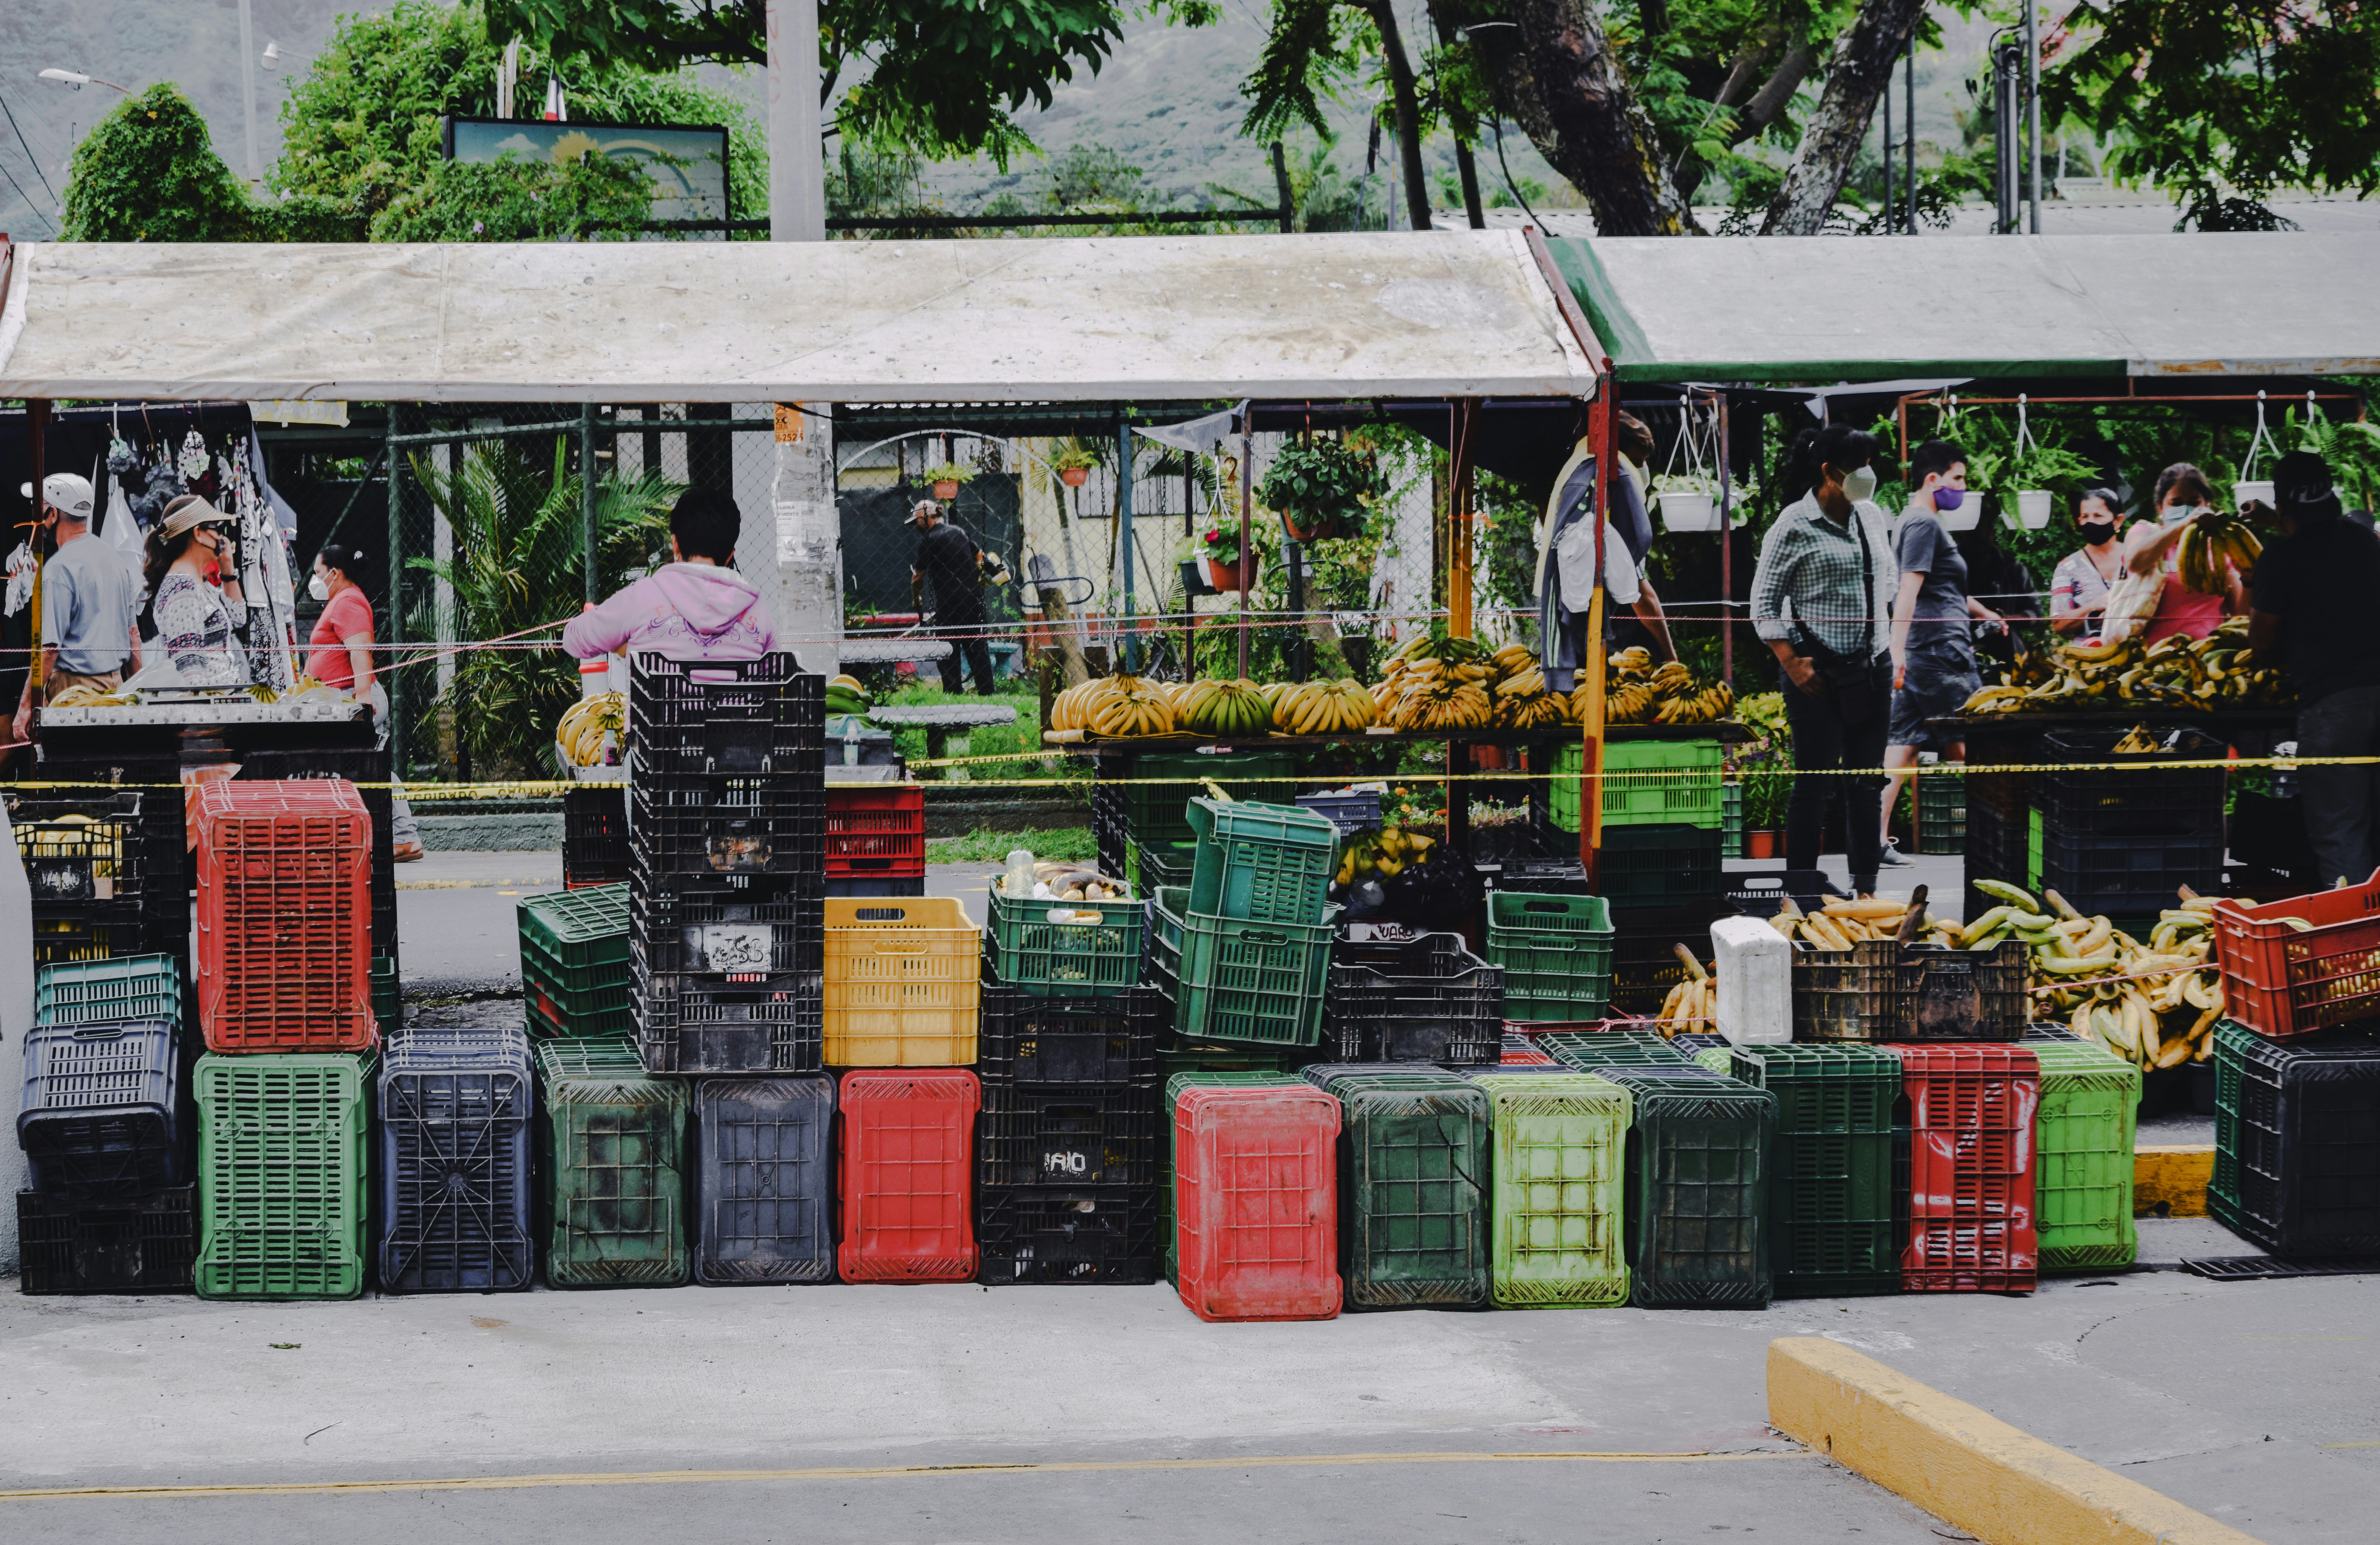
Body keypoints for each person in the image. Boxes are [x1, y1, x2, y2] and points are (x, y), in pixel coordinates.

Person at [1750, 424, 1897, 902]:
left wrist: (1880, 641)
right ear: (1829, 472)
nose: (1867, 475)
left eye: (1870, 464)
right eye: (1857, 467)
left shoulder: (1872, 516)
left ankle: (1866, 891)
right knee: (1812, 783)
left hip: (1872, 664)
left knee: (1866, 782)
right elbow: (1763, 603)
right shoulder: (1794, 524)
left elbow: (1888, 577)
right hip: (1816, 673)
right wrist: (1791, 660)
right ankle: (1801, 890)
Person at [2249, 449, 2380, 887]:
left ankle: (2359, 946)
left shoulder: (2279, 557)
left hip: (2333, 706)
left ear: (2282, 505)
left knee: (2341, 830)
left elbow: (2261, 640)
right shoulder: (2362, 539)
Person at [1877, 440, 2005, 866]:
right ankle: (1997, 838)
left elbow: (1944, 588)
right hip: (1938, 650)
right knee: (1971, 742)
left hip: (1927, 648)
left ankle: (1873, 837)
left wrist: (1983, 610)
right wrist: (1897, 649)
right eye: (1958, 478)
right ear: (1932, 479)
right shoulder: (1922, 524)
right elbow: (1908, 589)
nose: (1963, 488)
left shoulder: (1923, 522)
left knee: (1903, 746)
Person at [562, 487, 779, 664]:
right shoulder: (757, 609)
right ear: (730, 555)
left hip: (656, 719)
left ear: (675, 545)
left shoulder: (641, 597)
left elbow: (573, 641)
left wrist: (613, 636)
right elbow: (774, 672)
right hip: (738, 719)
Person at [12, 472, 141, 739]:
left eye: (41, 509)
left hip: (74, 698)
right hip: (115, 689)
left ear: (54, 515)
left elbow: (49, 650)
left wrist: (25, 707)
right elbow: (134, 637)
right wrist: (137, 692)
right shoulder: (117, 562)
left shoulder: (60, 568)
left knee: (75, 772)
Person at [2122, 464, 2248, 644]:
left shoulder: (2220, 546)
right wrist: (2183, 525)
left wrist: (2249, 579)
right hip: (2153, 656)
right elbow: (2134, 563)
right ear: (2160, 508)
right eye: (2176, 503)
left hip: (2208, 652)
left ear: (2207, 504)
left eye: (2194, 503)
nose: (2186, 509)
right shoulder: (2145, 532)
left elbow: (2240, 614)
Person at [142, 495, 249, 688]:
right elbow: (189, 668)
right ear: (198, 533)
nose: (221, 537)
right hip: (210, 710)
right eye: (216, 528)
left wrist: (227, 568)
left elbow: (238, 618)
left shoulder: (199, 583)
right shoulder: (182, 588)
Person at [909, 499, 998, 695]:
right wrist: (973, 575)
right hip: (972, 598)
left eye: (917, 521)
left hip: (948, 602)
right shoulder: (959, 531)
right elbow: (979, 556)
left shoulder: (928, 540)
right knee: (977, 645)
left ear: (925, 518)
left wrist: (916, 598)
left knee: (948, 647)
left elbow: (918, 576)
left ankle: (953, 690)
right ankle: (987, 691)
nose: (916, 525)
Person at [2049, 488, 2127, 637]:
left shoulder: (2135, 558)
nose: (2090, 522)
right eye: (2085, 516)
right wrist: (2094, 607)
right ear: (2080, 522)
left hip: (2136, 652)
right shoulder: (2068, 568)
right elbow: (2059, 624)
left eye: (2098, 516)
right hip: (2089, 655)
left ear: (2118, 521)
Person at [306, 543, 376, 699]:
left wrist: (363, 695)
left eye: (318, 573)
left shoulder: (347, 601)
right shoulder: (340, 599)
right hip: (337, 695)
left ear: (335, 573)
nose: (315, 579)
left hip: (348, 695)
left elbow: (361, 649)